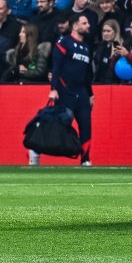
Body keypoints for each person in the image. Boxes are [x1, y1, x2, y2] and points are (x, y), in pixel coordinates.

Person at [49, 13, 94, 165]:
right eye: (85, 23)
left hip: (81, 93)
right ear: (75, 26)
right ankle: (36, 149)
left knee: (86, 125)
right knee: (60, 124)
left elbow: (87, 74)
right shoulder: (64, 42)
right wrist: (53, 88)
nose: (88, 26)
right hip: (65, 91)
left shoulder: (86, 47)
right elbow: (56, 68)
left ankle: (85, 159)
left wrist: (90, 94)